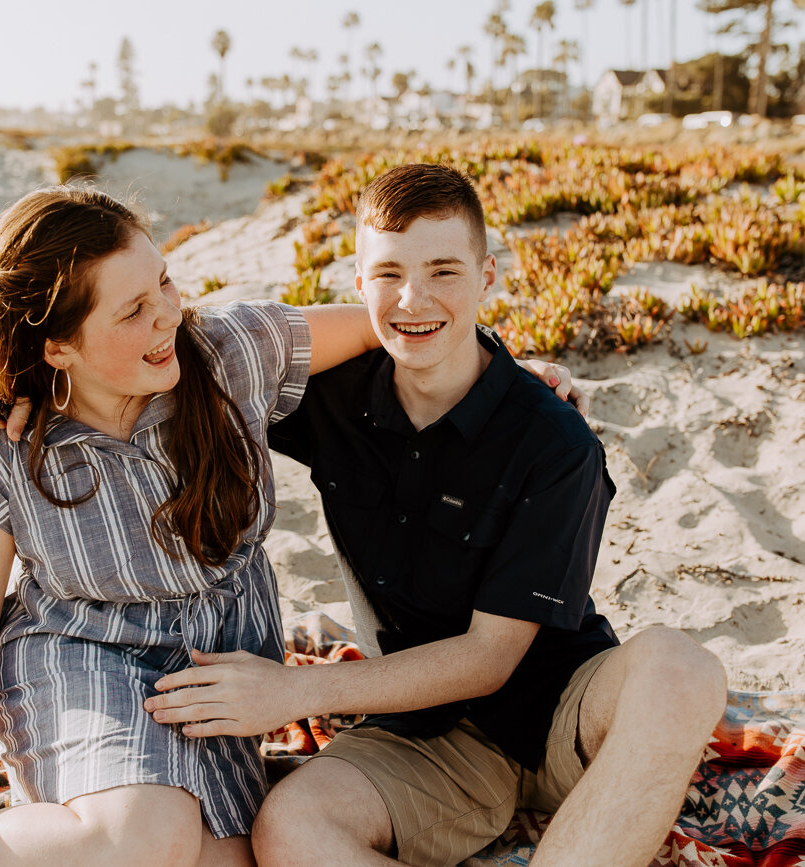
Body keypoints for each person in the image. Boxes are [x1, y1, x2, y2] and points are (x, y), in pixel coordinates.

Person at [0, 181, 581, 867]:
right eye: (133, 310)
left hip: (216, 669)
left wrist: (508, 372)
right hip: (79, 654)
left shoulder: (230, 352)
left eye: (165, 285)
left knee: (222, 859)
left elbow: (393, 318)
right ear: (59, 348)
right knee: (142, 835)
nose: (170, 317)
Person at [142, 164, 730, 867]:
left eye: (444, 271)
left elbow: (489, 658)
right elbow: (180, 351)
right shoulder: (328, 396)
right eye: (388, 273)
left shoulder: (554, 440)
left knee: (680, 666)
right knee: (291, 826)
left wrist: (292, 692)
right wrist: (2, 368)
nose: (412, 298)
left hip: (565, 710)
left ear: (487, 280)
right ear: (358, 286)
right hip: (424, 734)